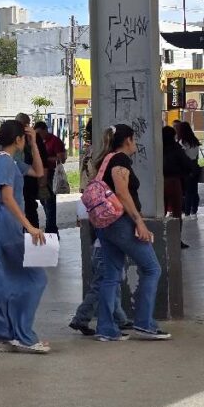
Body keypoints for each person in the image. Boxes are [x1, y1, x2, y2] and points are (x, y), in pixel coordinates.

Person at [93, 124, 171, 342]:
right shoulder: (120, 160)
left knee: (111, 275)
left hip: (105, 225)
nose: (135, 143)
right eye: (134, 139)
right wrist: (139, 222)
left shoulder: (105, 159)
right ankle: (144, 323)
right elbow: (122, 192)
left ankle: (106, 328)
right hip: (121, 224)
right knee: (152, 268)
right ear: (128, 140)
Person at [0, 120, 50, 353]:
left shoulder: (6, 160)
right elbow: (7, 198)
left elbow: (38, 172)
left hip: (3, 224)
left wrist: (35, 145)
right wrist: (29, 226)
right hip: (8, 224)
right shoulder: (6, 162)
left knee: (4, 278)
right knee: (34, 278)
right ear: (18, 139)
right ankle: (22, 334)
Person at [69, 120, 132, 337]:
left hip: (96, 220)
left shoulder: (95, 158)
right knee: (105, 281)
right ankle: (84, 317)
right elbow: (120, 193)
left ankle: (119, 318)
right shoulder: (112, 161)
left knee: (108, 279)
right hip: (108, 224)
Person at [162, 125, 197, 250]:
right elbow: (187, 164)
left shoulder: (158, 149)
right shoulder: (176, 148)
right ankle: (176, 239)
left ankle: (160, 237)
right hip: (174, 182)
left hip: (160, 182)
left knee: (161, 211)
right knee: (176, 213)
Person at [14, 113, 47, 230]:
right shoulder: (12, 140)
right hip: (18, 184)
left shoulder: (34, 138)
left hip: (29, 183)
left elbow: (42, 164)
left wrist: (32, 143)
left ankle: (32, 236)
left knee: (30, 209)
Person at [34, 121, 66, 235]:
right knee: (44, 202)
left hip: (51, 174)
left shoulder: (54, 141)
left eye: (40, 133)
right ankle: (51, 227)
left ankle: (51, 231)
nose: (38, 136)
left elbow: (61, 158)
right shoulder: (36, 142)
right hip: (39, 174)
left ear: (45, 130)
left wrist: (44, 159)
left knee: (50, 204)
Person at [177, 122, 202, 219]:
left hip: (187, 169)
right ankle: (194, 211)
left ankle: (187, 212)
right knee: (194, 191)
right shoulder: (194, 140)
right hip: (195, 167)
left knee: (187, 192)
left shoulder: (183, 142)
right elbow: (197, 156)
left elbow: (181, 157)